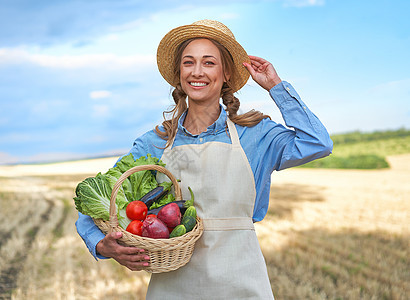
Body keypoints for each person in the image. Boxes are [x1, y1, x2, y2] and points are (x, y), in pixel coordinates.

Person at [75, 19, 333, 299]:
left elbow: (317, 143)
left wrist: (276, 87)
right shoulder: (155, 142)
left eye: (209, 63)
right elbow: (100, 196)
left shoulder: (256, 135)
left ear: (227, 75)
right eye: (189, 63)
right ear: (179, 74)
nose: (197, 72)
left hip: (242, 285)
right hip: (173, 288)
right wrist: (101, 245)